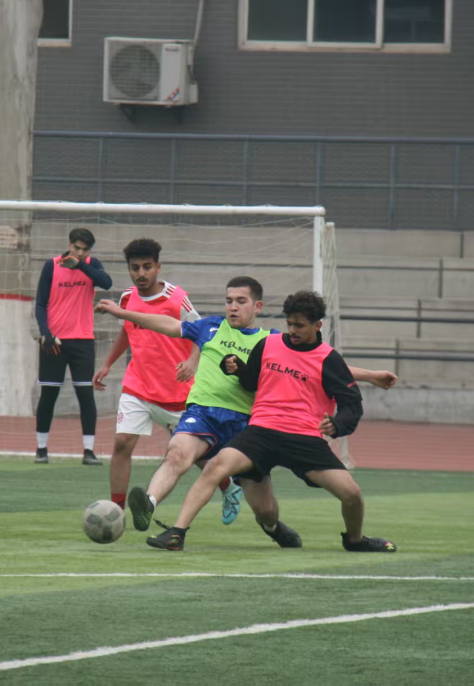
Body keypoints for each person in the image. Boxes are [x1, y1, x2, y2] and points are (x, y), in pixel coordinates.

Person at [97, 277, 397, 544]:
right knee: (179, 454)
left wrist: (370, 375)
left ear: (257, 306)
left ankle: (274, 527)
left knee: (266, 509)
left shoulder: (271, 340)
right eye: (229, 300)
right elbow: (167, 325)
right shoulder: (210, 327)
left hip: (249, 423)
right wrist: (123, 314)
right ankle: (154, 508)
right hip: (208, 415)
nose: (233, 307)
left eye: (241, 301)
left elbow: (321, 364)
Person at [92, 238, 200, 511]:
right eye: (135, 268)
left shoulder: (177, 298)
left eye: (147, 267)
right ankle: (116, 510)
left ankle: (227, 485)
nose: (141, 273)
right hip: (138, 385)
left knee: (198, 454)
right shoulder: (127, 298)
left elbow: (203, 333)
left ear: (158, 267)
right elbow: (126, 331)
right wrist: (107, 364)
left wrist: (192, 361)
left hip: (176, 389)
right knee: (122, 442)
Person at [33, 227, 113, 465]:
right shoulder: (51, 266)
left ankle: (89, 451)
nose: (79, 252)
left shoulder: (91, 265)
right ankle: (41, 449)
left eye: (84, 250)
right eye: (76, 248)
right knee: (49, 395)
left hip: (83, 341)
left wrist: (80, 265)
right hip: (54, 342)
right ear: (69, 244)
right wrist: (46, 334)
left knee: (85, 395)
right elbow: (40, 304)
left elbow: (106, 283)